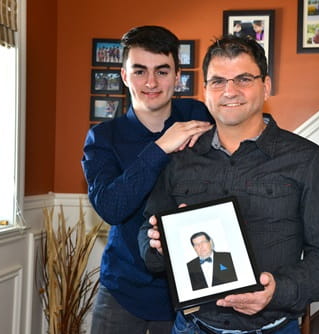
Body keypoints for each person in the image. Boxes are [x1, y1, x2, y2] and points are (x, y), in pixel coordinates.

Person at [138, 35, 319, 334]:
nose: (230, 91)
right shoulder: (180, 157)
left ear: (265, 86)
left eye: (243, 79)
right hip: (193, 326)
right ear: (205, 91)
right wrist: (158, 247)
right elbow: (146, 238)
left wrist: (278, 290)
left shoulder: (306, 159)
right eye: (217, 81)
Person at [81, 25, 214, 334]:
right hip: (123, 290)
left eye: (162, 71)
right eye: (139, 71)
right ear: (125, 76)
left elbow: (247, 128)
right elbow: (111, 208)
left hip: (192, 288)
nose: (151, 82)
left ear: (177, 75)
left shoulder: (198, 114)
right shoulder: (103, 138)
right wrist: (160, 147)